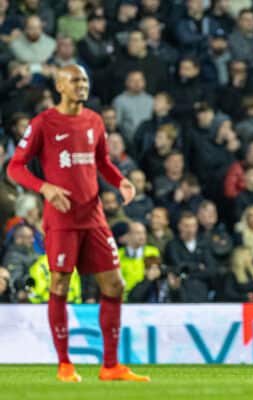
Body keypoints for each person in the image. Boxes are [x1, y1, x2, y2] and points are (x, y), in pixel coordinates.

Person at [6, 65, 149, 383]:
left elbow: (102, 163)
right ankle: (65, 365)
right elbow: (15, 167)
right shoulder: (44, 123)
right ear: (59, 85)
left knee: (114, 285)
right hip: (61, 219)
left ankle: (110, 366)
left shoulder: (94, 121)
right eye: (75, 80)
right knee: (59, 285)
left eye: (84, 80)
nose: (81, 85)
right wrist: (44, 187)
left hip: (94, 216)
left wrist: (121, 181)